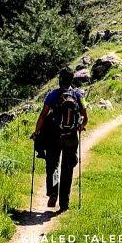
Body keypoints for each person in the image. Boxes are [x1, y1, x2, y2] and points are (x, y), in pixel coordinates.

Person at [31, 66, 88, 212]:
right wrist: (80, 126)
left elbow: (43, 115)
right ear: (71, 79)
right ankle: (64, 204)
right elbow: (85, 117)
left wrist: (36, 132)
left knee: (52, 166)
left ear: (60, 80)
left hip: (53, 136)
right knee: (67, 169)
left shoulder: (52, 95)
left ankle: (53, 192)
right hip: (71, 137)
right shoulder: (78, 95)